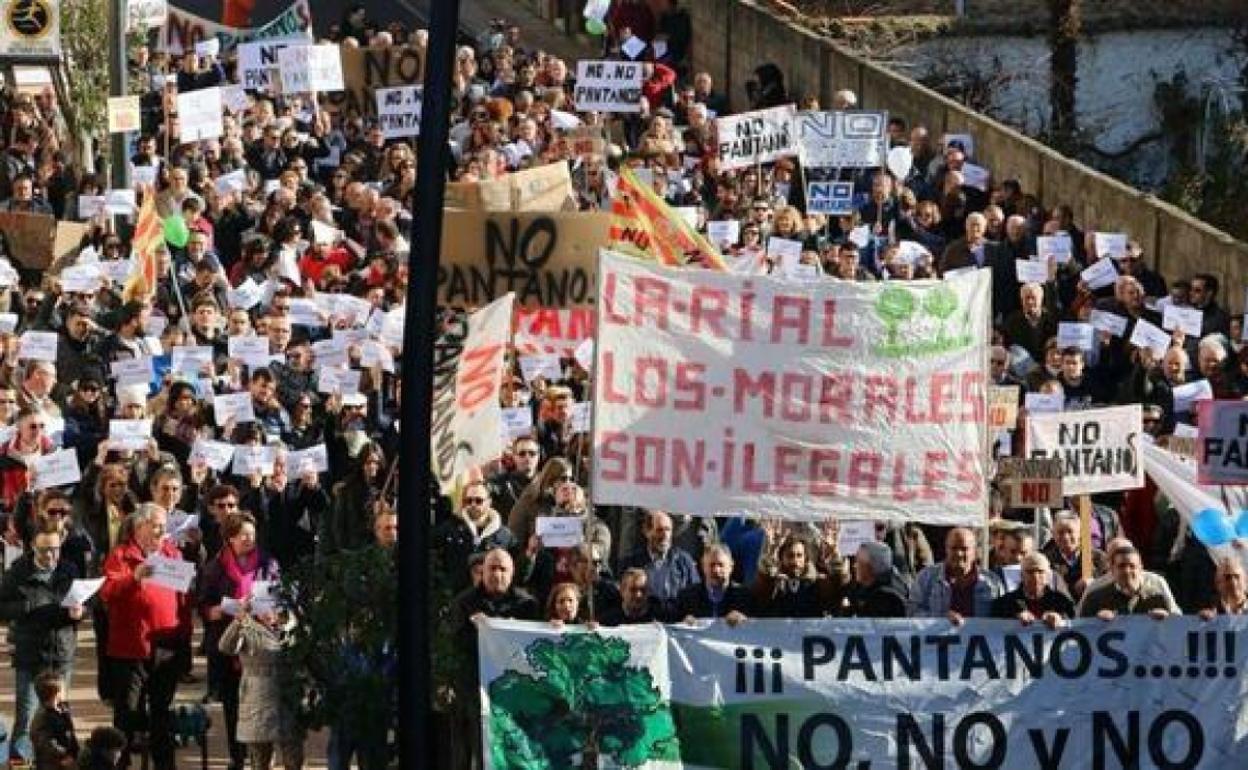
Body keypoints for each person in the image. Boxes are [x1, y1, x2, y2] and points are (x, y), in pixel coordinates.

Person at [99, 504, 195, 770]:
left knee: (162, 714)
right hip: (130, 649)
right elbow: (107, 593)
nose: (161, 531)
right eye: (155, 525)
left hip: (165, 647)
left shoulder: (172, 554)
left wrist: (184, 640)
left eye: (163, 526)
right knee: (127, 715)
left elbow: (183, 602)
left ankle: (164, 765)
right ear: (139, 527)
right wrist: (134, 577)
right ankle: (121, 764)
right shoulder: (121, 555)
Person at [197, 513, 281, 770]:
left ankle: (263, 754)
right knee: (233, 702)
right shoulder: (214, 568)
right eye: (243, 534)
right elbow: (203, 604)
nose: (249, 539)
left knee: (262, 700)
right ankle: (238, 757)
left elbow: (280, 595)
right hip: (228, 641)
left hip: (260, 643)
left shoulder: (268, 563)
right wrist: (215, 612)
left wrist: (274, 613)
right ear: (229, 538)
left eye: (252, 534)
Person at [0, 521, 83, 764]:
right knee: (27, 717)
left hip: (61, 653)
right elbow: (2, 607)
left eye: (56, 549)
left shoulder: (69, 569)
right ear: (32, 547)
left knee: (58, 715)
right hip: (30, 655)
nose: (51, 555)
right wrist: (27, 606)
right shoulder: (17, 572)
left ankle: (55, 762)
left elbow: (83, 600)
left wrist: (80, 612)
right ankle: (20, 763)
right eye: (45, 550)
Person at [218, 606, 305, 770]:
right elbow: (225, 646)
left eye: (275, 608)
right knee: (260, 760)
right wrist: (238, 621)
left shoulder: (293, 626)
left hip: (287, 697)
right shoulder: (247, 628)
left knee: (294, 757)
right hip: (257, 701)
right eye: (265, 608)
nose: (270, 613)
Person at [909, 528, 1003, 623]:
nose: (959, 554)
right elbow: (912, 612)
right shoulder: (926, 578)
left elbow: (1003, 615)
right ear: (946, 549)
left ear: (974, 551)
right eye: (954, 548)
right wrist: (941, 618)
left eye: (964, 549)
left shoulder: (993, 582)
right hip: (938, 637)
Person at [618, 510, 700, 616]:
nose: (665, 536)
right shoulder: (631, 563)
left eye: (668, 530)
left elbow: (695, 595)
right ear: (646, 531)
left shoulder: (684, 562)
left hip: (676, 622)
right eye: (659, 530)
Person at [1079, 546, 1180, 620]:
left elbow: (1177, 632)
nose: (1127, 571)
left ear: (1141, 569)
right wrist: (1095, 621)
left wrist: (1167, 620)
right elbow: (1079, 630)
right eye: (1121, 566)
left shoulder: (1157, 598)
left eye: (1132, 566)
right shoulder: (1095, 600)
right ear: (1112, 570)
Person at [990, 553, 1074, 626]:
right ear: (1021, 575)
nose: (1035, 577)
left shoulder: (1062, 602)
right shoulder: (1004, 603)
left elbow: (1075, 622)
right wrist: (1014, 619)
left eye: (1040, 571)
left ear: (1048, 576)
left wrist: (1060, 618)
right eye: (1030, 572)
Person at [674, 544, 750, 624]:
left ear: (731, 566)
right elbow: (673, 625)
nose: (716, 570)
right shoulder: (687, 597)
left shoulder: (744, 596)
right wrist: (683, 621)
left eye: (721, 565)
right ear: (703, 566)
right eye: (712, 565)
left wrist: (745, 620)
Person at [844, 541, 910, 618]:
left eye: (860, 563)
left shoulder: (887, 598)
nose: (854, 566)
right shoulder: (863, 586)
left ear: (872, 567)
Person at [30, 671, 78, 770]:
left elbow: (70, 732)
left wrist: (74, 751)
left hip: (67, 757)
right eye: (63, 689)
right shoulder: (43, 716)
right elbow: (45, 742)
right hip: (52, 762)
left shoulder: (63, 709)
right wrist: (63, 754)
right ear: (56, 694)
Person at [599, 568, 663, 625]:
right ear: (622, 591)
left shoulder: (660, 614)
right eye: (633, 590)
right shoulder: (608, 620)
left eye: (643, 590)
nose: (639, 595)